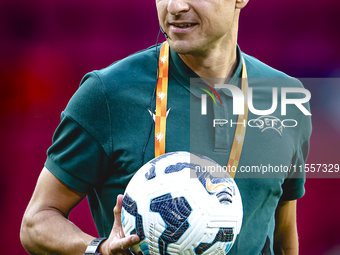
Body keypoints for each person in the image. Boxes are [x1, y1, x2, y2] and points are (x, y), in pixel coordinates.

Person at [20, 0, 312, 254]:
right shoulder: (107, 93)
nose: (174, 6)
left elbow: (284, 237)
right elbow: (37, 220)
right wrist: (98, 249)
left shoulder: (284, 98)